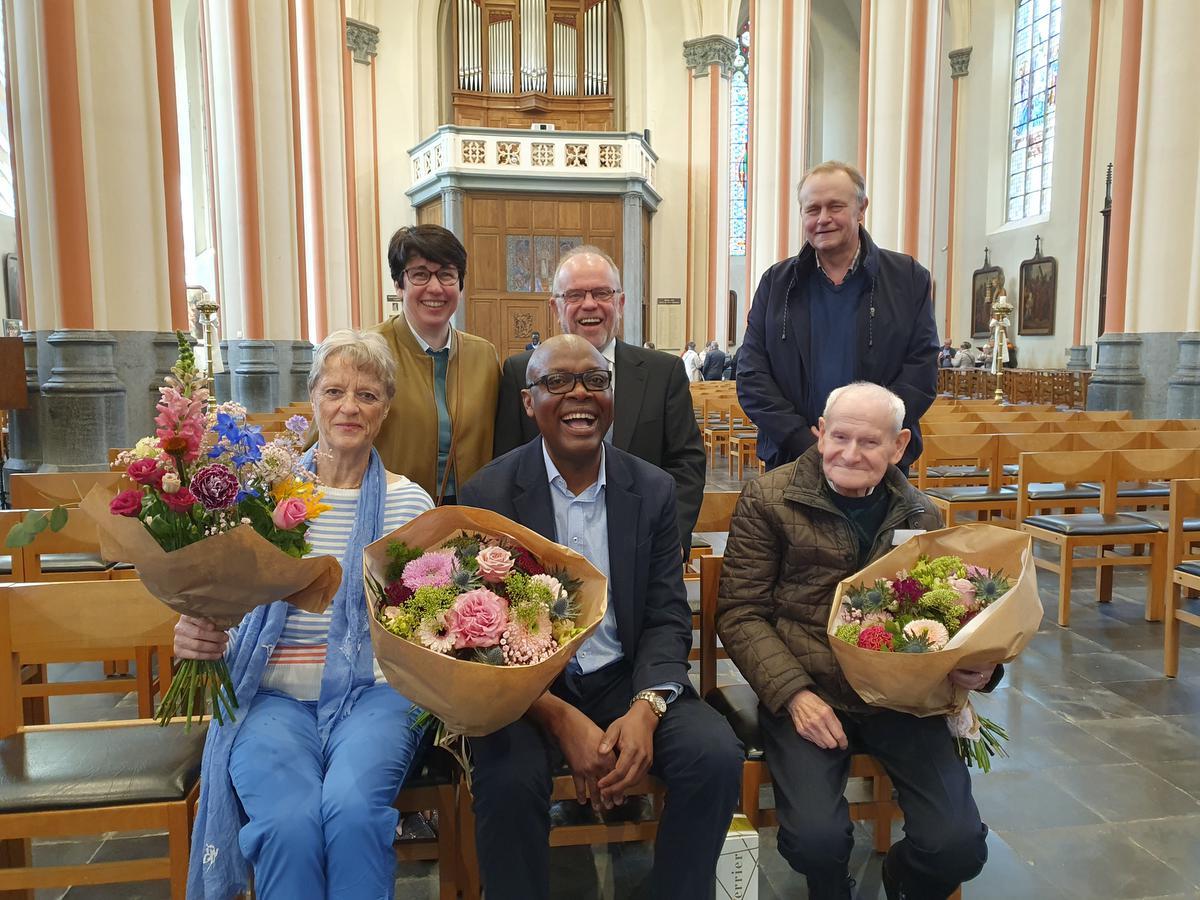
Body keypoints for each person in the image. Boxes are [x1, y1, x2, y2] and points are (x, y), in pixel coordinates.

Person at [461, 335, 743, 900]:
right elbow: (479, 637)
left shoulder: (653, 489)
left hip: (628, 675)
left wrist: (647, 707)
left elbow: (666, 614)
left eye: (595, 380)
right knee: (507, 778)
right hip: (529, 688)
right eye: (557, 382)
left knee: (714, 756)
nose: (579, 396)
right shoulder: (488, 494)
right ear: (527, 401)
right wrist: (560, 718)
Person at [716, 382, 997, 900]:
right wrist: (795, 694)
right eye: (839, 436)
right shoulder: (770, 498)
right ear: (820, 434)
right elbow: (741, 612)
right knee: (815, 841)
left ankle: (902, 877)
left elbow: (948, 610)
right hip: (809, 691)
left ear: (899, 446)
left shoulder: (920, 513)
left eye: (869, 443)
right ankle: (831, 889)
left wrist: (977, 667)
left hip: (902, 699)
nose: (850, 453)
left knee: (959, 847)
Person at [183, 330, 435, 899]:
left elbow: (425, 623)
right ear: (313, 397)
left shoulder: (410, 504)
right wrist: (198, 628)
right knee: (289, 823)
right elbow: (220, 605)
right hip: (270, 692)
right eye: (335, 391)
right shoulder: (260, 496)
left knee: (351, 811)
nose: (350, 407)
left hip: (376, 692)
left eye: (368, 395)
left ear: (386, 409)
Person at [493, 246, 705, 553]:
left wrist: (669, 540)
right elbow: (507, 465)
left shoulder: (663, 372)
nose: (589, 305)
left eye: (602, 293)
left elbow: (686, 463)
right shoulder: (519, 371)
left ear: (620, 303)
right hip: (542, 551)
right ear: (555, 307)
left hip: (640, 546)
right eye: (575, 295)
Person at [736, 160, 938, 473]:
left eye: (836, 206)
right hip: (792, 458)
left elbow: (920, 371)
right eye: (812, 209)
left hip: (876, 461)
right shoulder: (776, 283)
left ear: (861, 208)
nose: (823, 219)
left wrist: (864, 440)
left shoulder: (907, 278)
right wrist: (803, 440)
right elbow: (752, 375)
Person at [371, 224, 500, 504]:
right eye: (420, 275)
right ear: (399, 284)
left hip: (470, 514)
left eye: (447, 275)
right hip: (393, 511)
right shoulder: (368, 351)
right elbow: (324, 448)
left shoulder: (484, 356)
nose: (435, 287)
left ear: (460, 285)